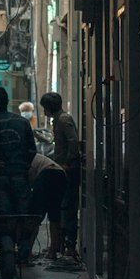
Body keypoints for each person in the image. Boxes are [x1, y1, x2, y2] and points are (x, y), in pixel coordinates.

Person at [0, 86, 36, 264]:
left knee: (4, 214)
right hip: (20, 175)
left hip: (0, 178)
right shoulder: (22, 123)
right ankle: (25, 250)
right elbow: (31, 150)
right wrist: (23, 166)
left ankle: (8, 248)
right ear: (7, 100)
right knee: (24, 213)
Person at [41, 91, 82, 260]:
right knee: (61, 207)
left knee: (68, 208)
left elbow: (73, 142)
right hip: (62, 170)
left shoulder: (64, 120)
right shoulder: (58, 120)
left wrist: (67, 163)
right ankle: (60, 245)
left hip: (68, 171)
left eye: (44, 107)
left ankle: (70, 246)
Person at [29, 151, 66, 261]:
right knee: (54, 216)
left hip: (46, 174)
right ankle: (53, 252)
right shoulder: (36, 156)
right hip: (60, 174)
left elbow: (28, 183)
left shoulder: (22, 160)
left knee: (35, 217)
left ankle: (27, 254)